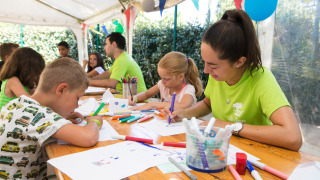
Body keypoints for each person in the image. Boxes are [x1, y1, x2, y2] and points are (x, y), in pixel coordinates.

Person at [163, 9, 302, 151]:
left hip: (255, 154)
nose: (206, 71)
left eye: (213, 65)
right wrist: (184, 113)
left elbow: (293, 137)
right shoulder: (217, 75)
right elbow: (208, 103)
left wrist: (230, 126)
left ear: (239, 62)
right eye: (205, 62)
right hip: (222, 150)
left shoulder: (261, 79)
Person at [0, 57, 103, 179]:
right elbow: (88, 137)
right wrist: (95, 122)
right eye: (77, 98)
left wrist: (61, 119)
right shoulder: (39, 115)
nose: (76, 106)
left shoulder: (18, 104)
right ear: (61, 90)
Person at [127, 52, 202, 111]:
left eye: (166, 79)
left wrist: (152, 104)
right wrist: (135, 98)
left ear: (181, 77)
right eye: (161, 78)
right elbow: (146, 94)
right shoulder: (162, 84)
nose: (162, 81)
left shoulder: (188, 89)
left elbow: (183, 106)